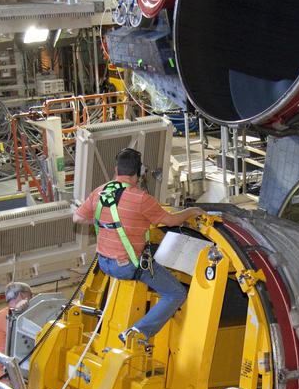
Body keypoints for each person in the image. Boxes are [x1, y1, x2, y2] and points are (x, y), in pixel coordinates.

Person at [73, 147, 204, 346]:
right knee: (175, 293)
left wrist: (106, 223)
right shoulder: (142, 199)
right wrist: (191, 211)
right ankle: (138, 332)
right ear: (140, 173)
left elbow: (78, 218)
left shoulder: (100, 191)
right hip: (126, 266)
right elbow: (170, 221)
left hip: (103, 263)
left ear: (116, 170)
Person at [0, 281, 33, 355]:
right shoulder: (4, 315)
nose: (32, 298)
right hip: (10, 364)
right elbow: (21, 333)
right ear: (21, 295)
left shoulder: (9, 313)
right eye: (30, 295)